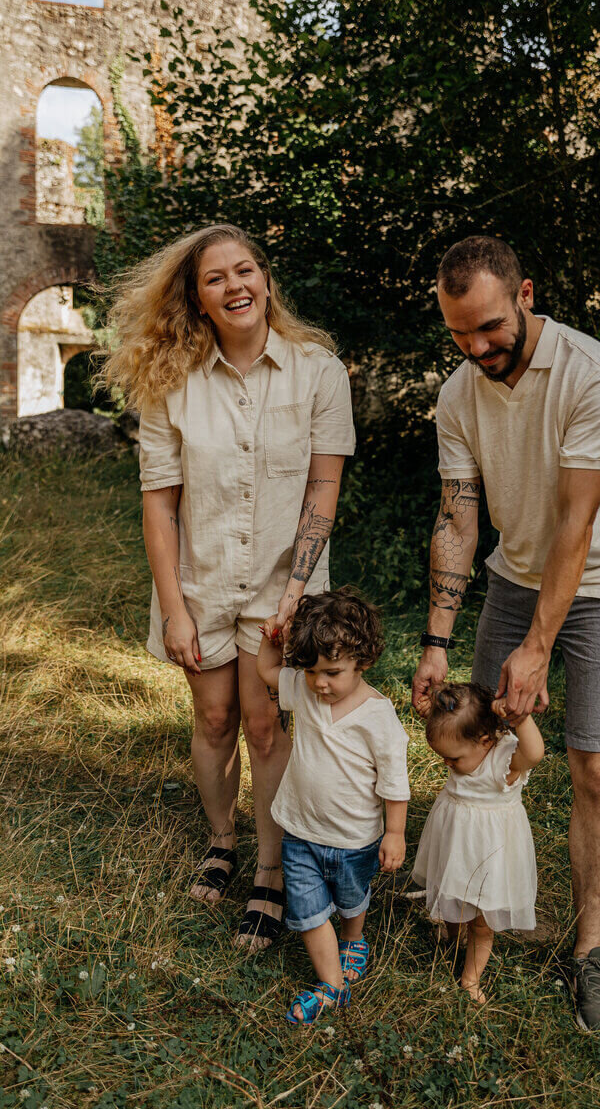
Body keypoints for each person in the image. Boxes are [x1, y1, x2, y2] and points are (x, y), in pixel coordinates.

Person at [412, 236, 600, 1041]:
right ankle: (471, 901)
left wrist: (540, 645)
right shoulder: (456, 397)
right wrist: (437, 640)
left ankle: (590, 954)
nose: (477, 348)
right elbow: (458, 516)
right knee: (478, 745)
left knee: (593, 766)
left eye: (487, 327)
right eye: (458, 335)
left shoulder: (592, 373)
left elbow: (578, 524)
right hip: (514, 577)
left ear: (525, 295)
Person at [100, 223, 355, 951]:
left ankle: (270, 871)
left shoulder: (317, 370)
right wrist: (175, 609)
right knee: (213, 720)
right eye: (216, 278)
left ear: (266, 280)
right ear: (197, 298)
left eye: (246, 271)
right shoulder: (170, 381)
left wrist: (296, 589)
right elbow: (159, 504)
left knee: (267, 723)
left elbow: (324, 485)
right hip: (201, 581)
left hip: (285, 584)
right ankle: (221, 839)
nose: (235, 286)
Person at [256, 588, 410, 1024]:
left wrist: (394, 832)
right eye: (310, 671)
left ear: (363, 660)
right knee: (306, 910)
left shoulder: (378, 717)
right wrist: (272, 638)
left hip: (355, 839)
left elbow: (395, 785)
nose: (320, 682)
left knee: (351, 899)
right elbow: (268, 670)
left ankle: (354, 939)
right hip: (300, 832)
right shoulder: (304, 692)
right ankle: (332, 986)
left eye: (332, 672)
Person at [412, 682, 544, 1003]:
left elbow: (535, 753)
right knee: (454, 903)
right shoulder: (462, 743)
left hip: (490, 854)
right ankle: (454, 941)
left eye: (452, 759)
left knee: (483, 923)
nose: (447, 765)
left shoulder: (504, 762)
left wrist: (522, 718)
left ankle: (470, 980)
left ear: (485, 741)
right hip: (456, 846)